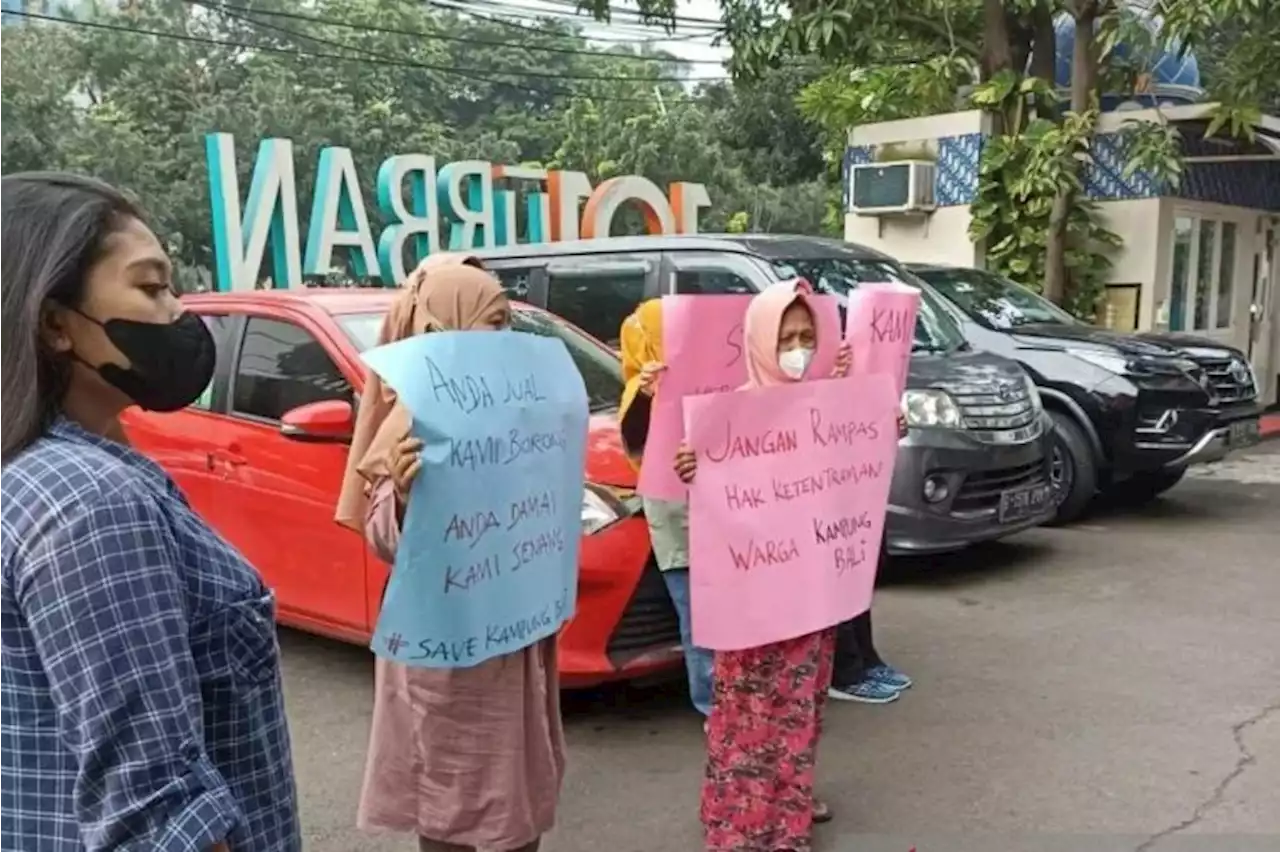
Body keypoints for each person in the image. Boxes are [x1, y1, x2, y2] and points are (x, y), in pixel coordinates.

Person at [0, 172, 301, 851]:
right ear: (54, 323)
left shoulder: (33, 469)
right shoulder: (92, 504)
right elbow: (157, 814)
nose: (179, 311)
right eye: (150, 286)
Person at [334, 255, 564, 852]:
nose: (503, 335)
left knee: (515, 805)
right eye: (492, 320)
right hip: (447, 658)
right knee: (450, 807)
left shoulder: (519, 408)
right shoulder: (411, 420)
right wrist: (410, 497)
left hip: (514, 641)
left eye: (507, 320)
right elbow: (383, 534)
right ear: (442, 327)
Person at [675, 279, 851, 852]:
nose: (797, 349)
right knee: (747, 715)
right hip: (749, 602)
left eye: (806, 336)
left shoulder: (829, 410)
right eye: (785, 338)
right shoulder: (730, 420)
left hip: (810, 599)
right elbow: (716, 508)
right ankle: (740, 823)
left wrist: (874, 431)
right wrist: (693, 468)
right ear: (757, 342)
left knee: (798, 713)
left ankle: (787, 814)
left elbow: (852, 486)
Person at [618, 299, 715, 719]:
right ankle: (713, 708)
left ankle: (741, 708)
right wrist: (646, 393)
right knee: (697, 623)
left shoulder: (717, 376)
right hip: (679, 525)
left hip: (724, 520)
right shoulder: (641, 388)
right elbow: (635, 442)